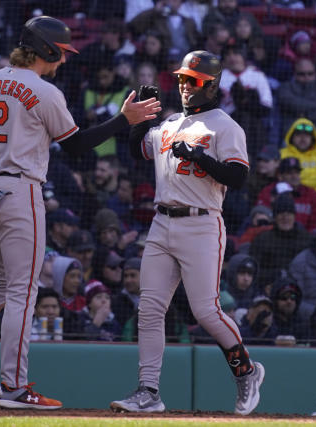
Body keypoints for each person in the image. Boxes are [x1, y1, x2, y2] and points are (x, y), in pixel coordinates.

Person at [0, 15, 160, 410]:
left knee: (0, 283)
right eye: (62, 52)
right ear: (47, 49)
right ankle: (14, 388)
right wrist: (124, 119)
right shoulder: (44, 90)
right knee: (23, 288)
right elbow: (75, 146)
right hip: (19, 190)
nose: (64, 60)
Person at [110, 50, 264, 416]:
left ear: (211, 85)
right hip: (162, 222)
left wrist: (200, 158)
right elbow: (137, 152)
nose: (184, 85)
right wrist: (140, 118)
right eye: (181, 78)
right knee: (149, 309)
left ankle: (247, 371)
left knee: (206, 311)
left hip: (202, 223)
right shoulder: (168, 123)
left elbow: (239, 177)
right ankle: (149, 391)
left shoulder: (225, 126)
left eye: (192, 80)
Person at [249, 192, 312, 285]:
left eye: (289, 213)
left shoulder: (307, 239)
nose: (285, 217)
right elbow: (254, 269)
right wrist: (275, 274)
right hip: (269, 285)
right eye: (281, 213)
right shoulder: (262, 240)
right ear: (275, 217)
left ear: (294, 216)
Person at [279, 118, 316, 196]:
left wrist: (297, 181)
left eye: (307, 135)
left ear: (313, 138)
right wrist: (312, 177)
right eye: (298, 135)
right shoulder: (282, 154)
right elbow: (280, 177)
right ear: (292, 137)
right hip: (289, 196)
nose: (303, 138)